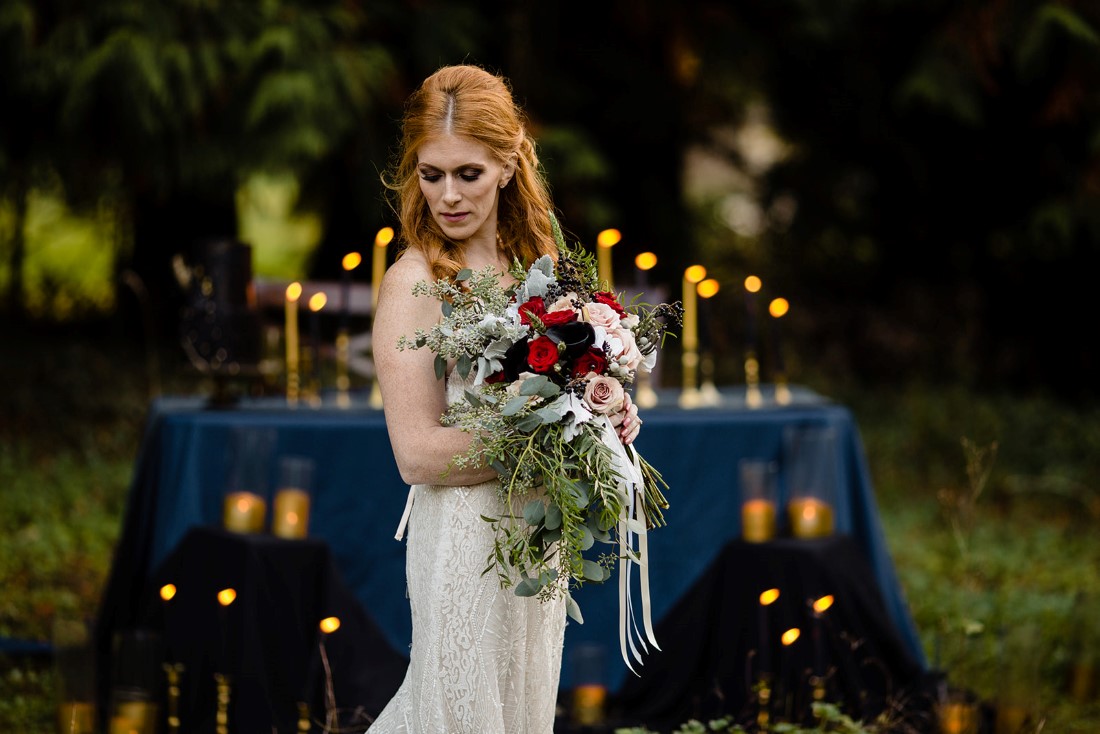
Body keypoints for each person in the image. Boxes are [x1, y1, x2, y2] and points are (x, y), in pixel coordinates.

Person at [368, 64, 640, 733]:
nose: (448, 196)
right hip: (462, 538)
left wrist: (601, 415)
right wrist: (550, 432)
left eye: (470, 174)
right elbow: (418, 456)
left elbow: (568, 387)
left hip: (537, 540)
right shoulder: (414, 283)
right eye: (432, 174)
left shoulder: (538, 270)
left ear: (509, 164)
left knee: (520, 714)